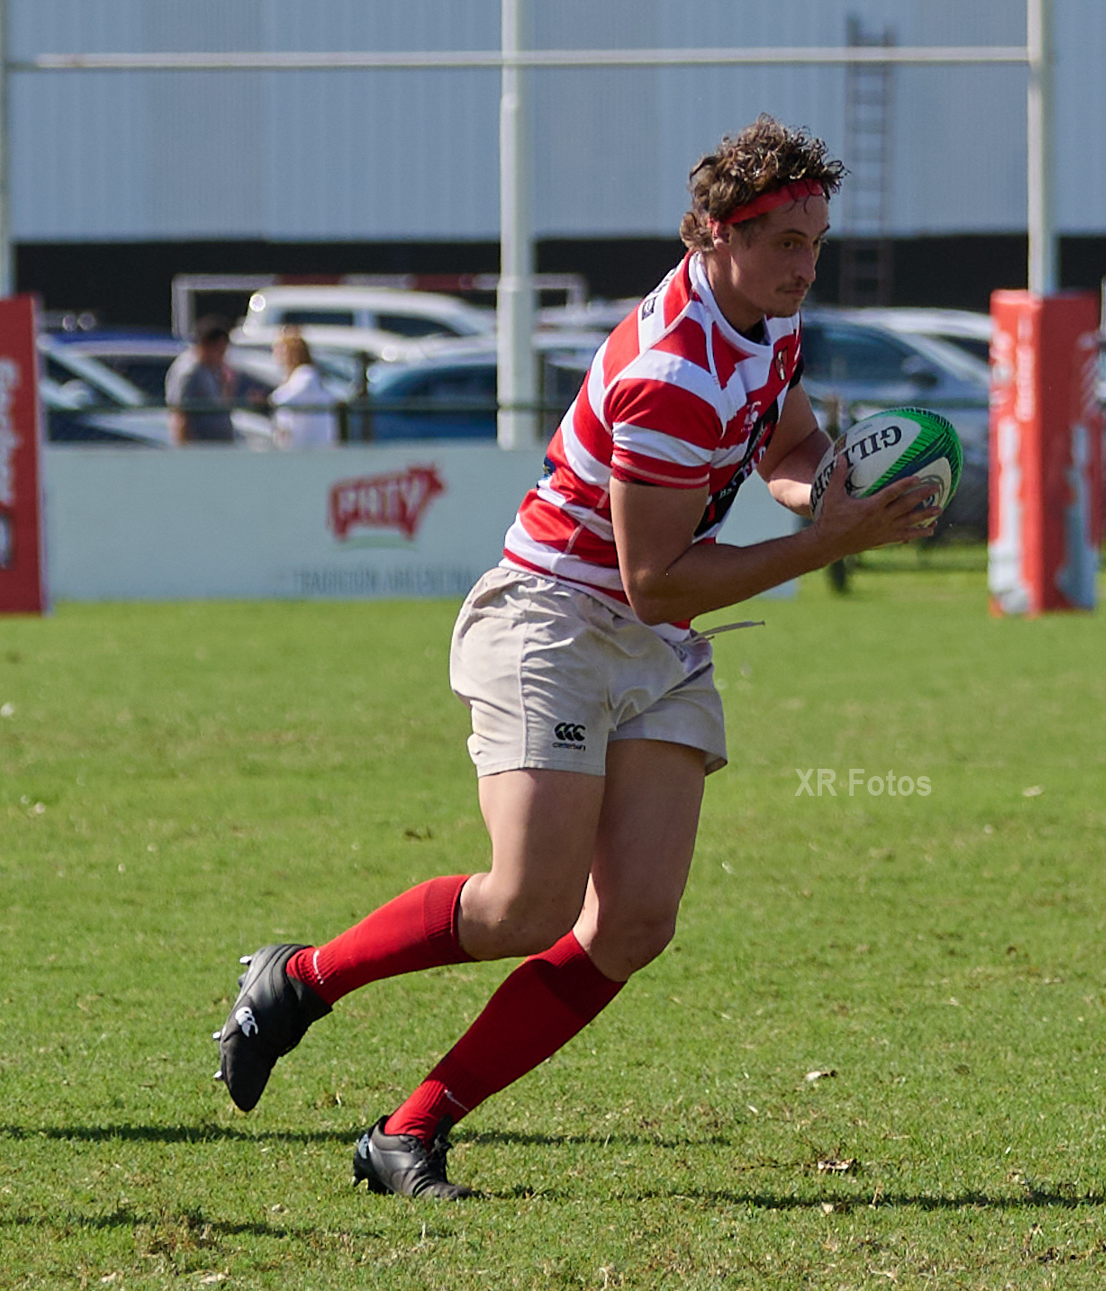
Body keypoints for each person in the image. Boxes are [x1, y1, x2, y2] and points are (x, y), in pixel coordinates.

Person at [212, 115, 938, 1197]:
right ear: (711, 234)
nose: (806, 265)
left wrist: (830, 485)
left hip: (652, 636)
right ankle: (300, 979)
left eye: (817, 240)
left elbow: (786, 445)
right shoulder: (669, 370)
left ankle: (408, 1130)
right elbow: (658, 578)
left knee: (635, 920)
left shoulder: (764, 319)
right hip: (551, 618)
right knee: (527, 906)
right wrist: (829, 541)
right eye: (785, 241)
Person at [165, 315, 238, 445]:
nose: (222, 357)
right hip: (201, 450)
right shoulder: (190, 373)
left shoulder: (210, 370)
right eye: (220, 351)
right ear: (206, 345)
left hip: (216, 450)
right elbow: (180, 417)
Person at [268, 328, 338, 449]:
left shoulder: (307, 375)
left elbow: (281, 400)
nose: (274, 352)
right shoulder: (292, 378)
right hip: (296, 449)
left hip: (312, 449)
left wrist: (264, 400)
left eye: (279, 348)